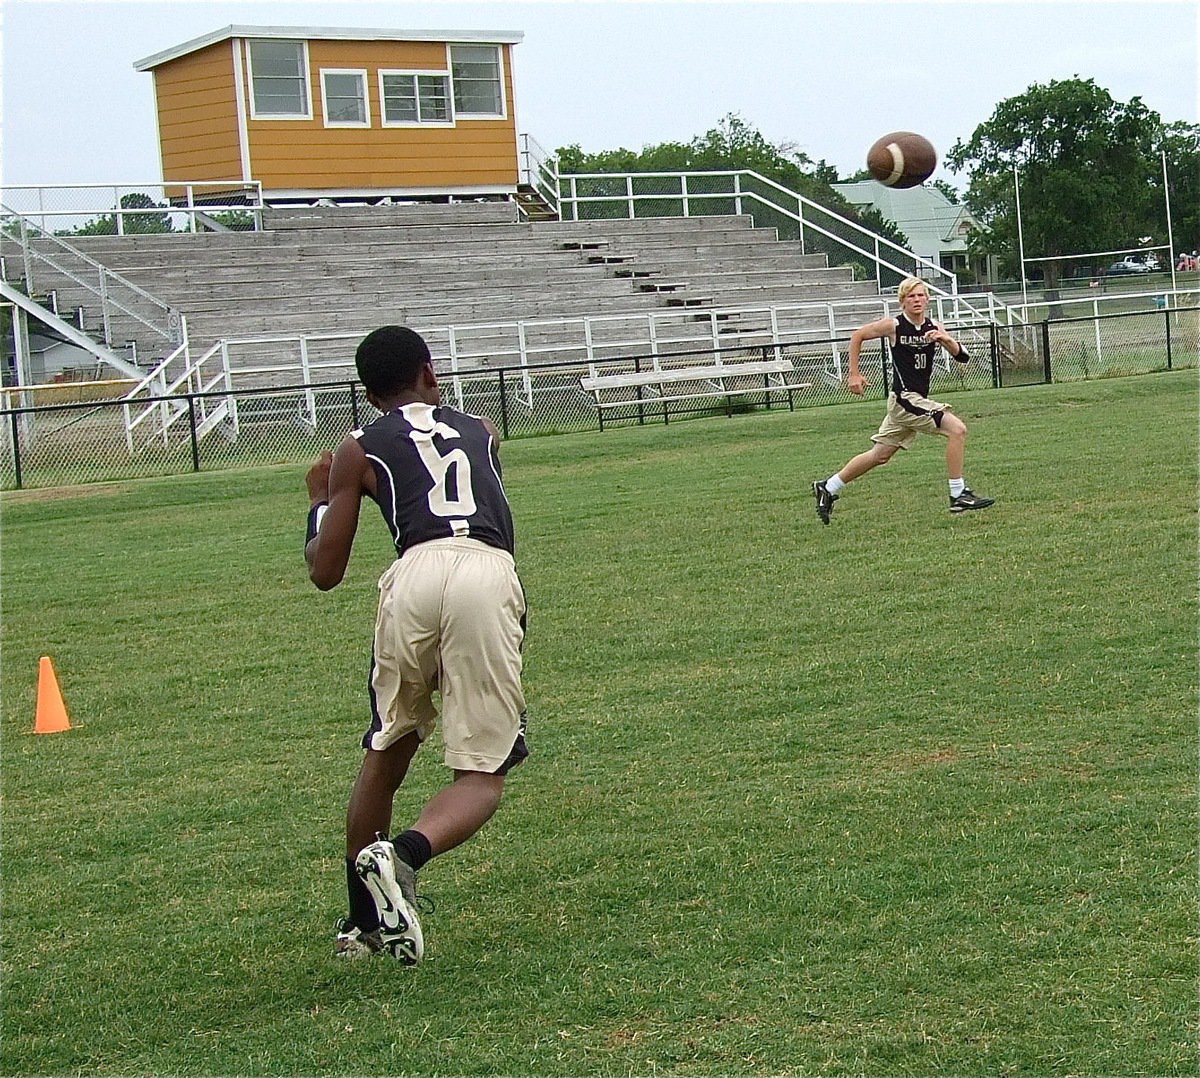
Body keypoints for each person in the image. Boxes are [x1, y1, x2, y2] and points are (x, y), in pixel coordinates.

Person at [304, 325, 528, 963]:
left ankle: (360, 926)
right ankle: (403, 854)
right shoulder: (482, 429)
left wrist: (320, 501)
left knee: (387, 749)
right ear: (431, 372)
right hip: (485, 569)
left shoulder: (357, 448)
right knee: (483, 772)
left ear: (366, 394)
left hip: (413, 574)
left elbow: (326, 571)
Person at [812, 276, 994, 523]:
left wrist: (945, 339)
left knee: (880, 455)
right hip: (904, 398)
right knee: (957, 429)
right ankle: (958, 493)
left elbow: (963, 357)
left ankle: (828, 487)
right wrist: (853, 373)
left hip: (915, 400)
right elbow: (858, 336)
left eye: (920, 295)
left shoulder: (934, 326)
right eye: (911, 296)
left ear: (928, 299)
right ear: (902, 302)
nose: (917, 300)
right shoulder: (895, 326)